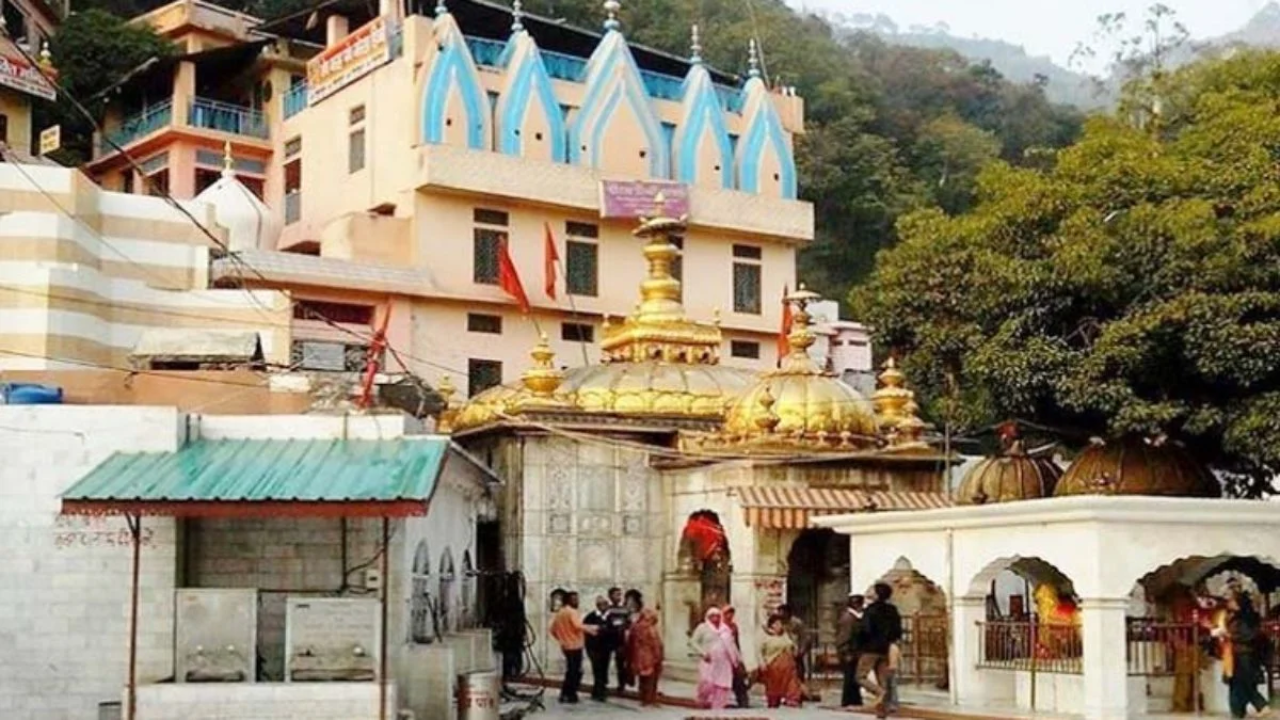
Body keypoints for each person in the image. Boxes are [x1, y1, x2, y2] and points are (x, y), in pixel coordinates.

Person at [1214, 592, 1273, 719]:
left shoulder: (1248, 618)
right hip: (1234, 654)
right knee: (1237, 684)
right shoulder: (1232, 616)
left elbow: (1248, 635)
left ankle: (1259, 705)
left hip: (1245, 655)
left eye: (1233, 601)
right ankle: (1239, 711)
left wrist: (1227, 634)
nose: (1230, 603)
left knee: (1242, 683)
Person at [858, 582, 903, 718]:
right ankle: (881, 711)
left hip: (871, 648)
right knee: (883, 679)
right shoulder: (892, 610)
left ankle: (879, 693)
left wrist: (860, 645)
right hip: (886, 648)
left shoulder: (871, 610)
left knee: (860, 676)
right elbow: (897, 630)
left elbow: (865, 630)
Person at [548, 591, 598, 704]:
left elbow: (552, 630)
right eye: (574, 599)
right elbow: (577, 625)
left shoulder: (560, 612)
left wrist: (562, 639)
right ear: (568, 600)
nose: (577, 601)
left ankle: (566, 694)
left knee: (571, 671)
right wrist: (592, 629)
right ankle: (570, 694)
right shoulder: (572, 612)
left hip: (566, 646)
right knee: (576, 671)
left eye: (577, 599)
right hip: (575, 646)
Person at [689, 607, 741, 709]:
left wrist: (737, 659)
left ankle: (717, 709)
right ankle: (702, 701)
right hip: (709, 661)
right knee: (706, 682)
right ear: (708, 617)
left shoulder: (725, 629)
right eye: (712, 616)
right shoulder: (702, 628)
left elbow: (732, 645)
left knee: (722, 685)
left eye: (717, 616)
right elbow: (693, 642)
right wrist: (703, 653)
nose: (715, 618)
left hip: (724, 662)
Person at [759, 614, 805, 708]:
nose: (779, 626)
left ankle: (792, 699)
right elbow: (760, 652)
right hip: (773, 666)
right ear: (772, 625)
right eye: (777, 624)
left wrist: (794, 649)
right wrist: (762, 663)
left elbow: (791, 645)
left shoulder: (785, 635)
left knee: (792, 683)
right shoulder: (766, 637)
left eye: (780, 624)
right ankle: (774, 701)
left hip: (788, 667)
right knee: (773, 688)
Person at [626, 606, 665, 707]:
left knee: (651, 677)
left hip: (652, 655)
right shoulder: (639, 627)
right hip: (645, 655)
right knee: (647, 677)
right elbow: (632, 643)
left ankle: (650, 698)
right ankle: (647, 698)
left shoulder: (649, 627)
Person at [836, 593, 866, 708]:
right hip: (850, 651)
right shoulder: (848, 618)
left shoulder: (856, 617)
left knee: (853, 676)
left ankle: (854, 699)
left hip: (855, 651)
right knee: (850, 676)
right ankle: (849, 700)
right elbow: (844, 636)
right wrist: (845, 651)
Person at [582, 596, 612, 702]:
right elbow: (586, 630)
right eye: (603, 604)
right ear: (598, 606)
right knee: (597, 669)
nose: (606, 606)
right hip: (594, 648)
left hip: (606, 648)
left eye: (606, 604)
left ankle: (599, 690)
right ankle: (599, 692)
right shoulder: (590, 617)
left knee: (604, 669)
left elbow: (613, 631)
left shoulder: (610, 617)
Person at [605, 587, 633, 692]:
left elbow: (629, 623)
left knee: (621, 663)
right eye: (616, 594)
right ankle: (604, 683)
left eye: (620, 595)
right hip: (608, 639)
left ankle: (621, 685)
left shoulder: (625, 609)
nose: (618, 597)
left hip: (620, 640)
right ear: (610, 596)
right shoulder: (607, 609)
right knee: (605, 662)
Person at [723, 606, 750, 708]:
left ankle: (743, 701)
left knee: (738, 679)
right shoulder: (719, 627)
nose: (729, 616)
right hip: (722, 657)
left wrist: (739, 657)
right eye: (727, 613)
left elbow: (736, 643)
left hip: (733, 655)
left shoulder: (734, 627)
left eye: (731, 613)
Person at [777, 604, 811, 683]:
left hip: (795, 654)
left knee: (797, 679)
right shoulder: (778, 624)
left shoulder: (796, 623)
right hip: (782, 655)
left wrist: (801, 652)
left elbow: (805, 637)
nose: (781, 615)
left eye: (782, 613)